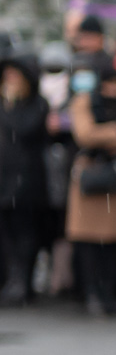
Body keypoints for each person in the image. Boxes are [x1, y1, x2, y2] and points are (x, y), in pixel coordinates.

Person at [66, 55, 116, 316]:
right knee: (88, 242)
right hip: (91, 178)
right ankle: (91, 292)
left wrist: (108, 137)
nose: (113, 88)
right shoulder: (84, 101)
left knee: (113, 242)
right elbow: (84, 134)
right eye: (108, 82)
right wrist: (114, 132)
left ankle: (112, 292)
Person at [0, 48, 49, 304]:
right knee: (5, 231)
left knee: (25, 230)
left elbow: (24, 130)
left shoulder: (37, 104)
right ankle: (10, 278)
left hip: (27, 177)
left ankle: (24, 281)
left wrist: (9, 106)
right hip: (3, 176)